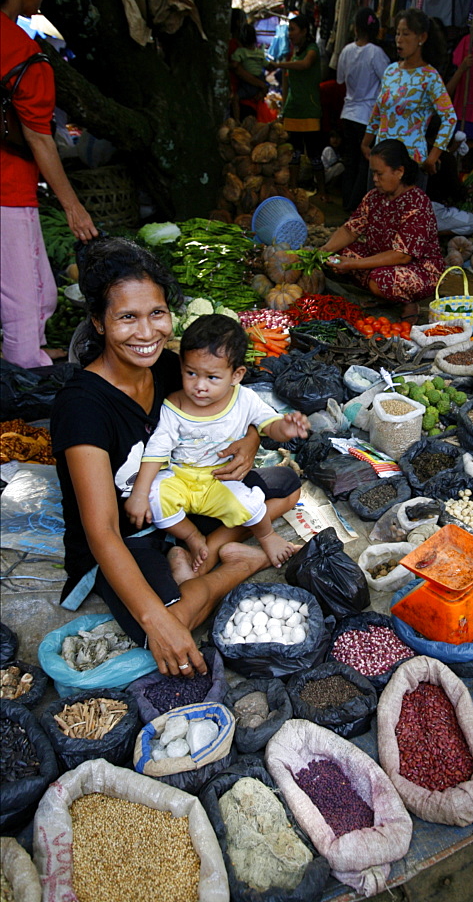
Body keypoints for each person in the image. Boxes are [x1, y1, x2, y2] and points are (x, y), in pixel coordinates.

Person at [50, 238, 301, 678]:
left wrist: (251, 441)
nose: (146, 333)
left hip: (184, 496)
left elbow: (234, 406)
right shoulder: (83, 406)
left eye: (157, 314)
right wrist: (155, 620)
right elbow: (103, 530)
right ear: (99, 323)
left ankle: (204, 550)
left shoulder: (169, 367)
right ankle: (242, 560)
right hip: (128, 534)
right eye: (127, 317)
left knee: (287, 487)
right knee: (171, 623)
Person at [125, 314, 309, 571]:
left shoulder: (245, 400)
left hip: (219, 479)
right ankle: (192, 537)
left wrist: (286, 428)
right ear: (181, 366)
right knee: (154, 498)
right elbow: (156, 451)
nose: (199, 386)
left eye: (211, 377)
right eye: (191, 373)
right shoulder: (174, 405)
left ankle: (267, 537)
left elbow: (270, 425)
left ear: (236, 375)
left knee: (250, 505)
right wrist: (140, 494)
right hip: (179, 478)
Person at [0, 0, 97, 369]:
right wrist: (74, 207)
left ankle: (33, 355)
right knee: (25, 306)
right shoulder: (22, 52)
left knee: (39, 287)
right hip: (8, 193)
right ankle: (28, 398)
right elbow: (40, 141)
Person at [321, 139, 443, 319]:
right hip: (380, 260)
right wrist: (322, 251)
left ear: (399, 171)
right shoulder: (374, 197)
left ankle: (409, 302)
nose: (374, 179)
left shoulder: (417, 203)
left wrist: (352, 264)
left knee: (379, 280)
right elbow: (350, 230)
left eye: (379, 174)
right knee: (337, 257)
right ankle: (382, 293)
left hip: (418, 268)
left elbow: (402, 255)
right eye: (373, 174)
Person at [361, 8, 457, 191]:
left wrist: (433, 157)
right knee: (376, 216)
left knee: (404, 218)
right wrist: (366, 142)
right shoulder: (391, 71)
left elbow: (450, 118)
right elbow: (378, 109)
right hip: (380, 161)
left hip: (410, 163)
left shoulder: (430, 77)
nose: (399, 39)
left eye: (406, 34)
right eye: (397, 33)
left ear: (422, 38)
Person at [336, 7, 390, 211]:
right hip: (367, 115)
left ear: (356, 28)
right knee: (364, 165)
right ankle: (355, 207)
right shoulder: (376, 53)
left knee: (350, 162)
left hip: (348, 112)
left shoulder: (347, 50)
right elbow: (389, 81)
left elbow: (340, 78)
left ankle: (346, 205)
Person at [268, 14, 326, 199]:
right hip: (293, 110)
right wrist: (283, 109)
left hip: (309, 109)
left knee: (314, 154)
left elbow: (305, 64)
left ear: (304, 31)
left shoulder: (312, 49)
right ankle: (292, 191)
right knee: (294, 154)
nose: (290, 34)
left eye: (293, 29)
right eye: (289, 30)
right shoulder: (294, 53)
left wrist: (279, 64)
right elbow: (286, 86)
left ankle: (322, 193)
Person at [230, 22, 269, 115]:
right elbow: (267, 65)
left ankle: (236, 120)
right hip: (260, 78)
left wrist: (227, 65)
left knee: (235, 98)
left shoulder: (240, 52)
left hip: (249, 82)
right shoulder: (259, 53)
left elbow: (235, 66)